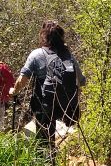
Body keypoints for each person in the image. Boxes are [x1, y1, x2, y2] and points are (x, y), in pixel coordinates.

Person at [9, 20, 85, 154]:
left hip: (45, 105)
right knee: (61, 137)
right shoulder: (69, 56)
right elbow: (82, 81)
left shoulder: (37, 54)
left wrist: (14, 91)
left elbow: (23, 79)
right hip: (67, 106)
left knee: (44, 139)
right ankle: (56, 161)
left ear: (43, 36)